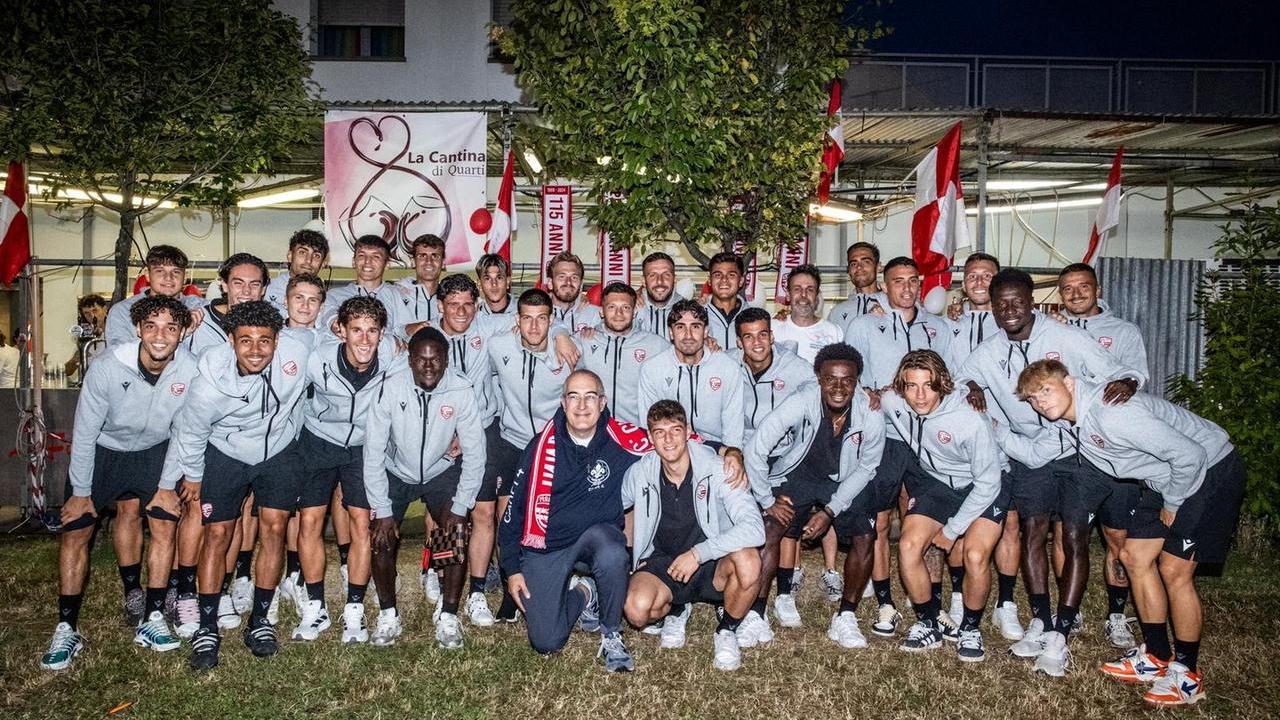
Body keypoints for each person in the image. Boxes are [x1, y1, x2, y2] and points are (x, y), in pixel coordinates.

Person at [1012, 360, 1243, 705]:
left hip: (1208, 469)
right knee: (1134, 557)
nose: (1040, 402)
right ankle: (1157, 655)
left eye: (1046, 390)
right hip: (1164, 478)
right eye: (1032, 398)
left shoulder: (1111, 412)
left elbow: (1189, 455)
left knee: (1174, 570)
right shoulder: (1076, 421)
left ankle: (1187, 674)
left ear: (1070, 383)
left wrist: (1174, 503)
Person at [958, 269, 1145, 677]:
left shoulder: (1066, 337)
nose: (1010, 310)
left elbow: (1120, 370)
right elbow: (957, 379)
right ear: (991, 306)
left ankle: (1061, 632)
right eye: (1001, 303)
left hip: (1077, 450)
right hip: (1028, 455)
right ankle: (1040, 619)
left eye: (1017, 301)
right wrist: (971, 385)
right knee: (1032, 532)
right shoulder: (987, 353)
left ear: (1032, 301)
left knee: (1075, 533)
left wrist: (1130, 382)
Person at [40, 295, 197, 671]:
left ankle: (153, 618)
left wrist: (165, 485)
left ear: (182, 333)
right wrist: (80, 492)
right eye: (152, 327)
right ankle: (66, 627)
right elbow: (86, 431)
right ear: (139, 329)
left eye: (171, 328)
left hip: (152, 451)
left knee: (164, 521)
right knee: (77, 529)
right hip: (104, 451)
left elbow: (183, 432)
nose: (161, 336)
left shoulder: (190, 370)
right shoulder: (108, 366)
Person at [167, 300, 310, 671]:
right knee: (218, 534)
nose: (256, 350)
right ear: (231, 341)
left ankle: (260, 619)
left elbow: (336, 347)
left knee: (275, 530)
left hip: (279, 449)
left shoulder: (298, 350)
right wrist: (194, 476)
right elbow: (192, 432)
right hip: (225, 451)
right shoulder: (210, 377)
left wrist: (393, 343)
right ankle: (207, 625)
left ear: (278, 341)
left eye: (264, 340)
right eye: (245, 340)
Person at [499, 370, 651, 671]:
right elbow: (512, 513)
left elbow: (671, 440)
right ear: (563, 402)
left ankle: (611, 633)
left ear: (603, 402)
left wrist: (724, 451)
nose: (582, 406)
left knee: (611, 550)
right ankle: (585, 592)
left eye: (590, 397)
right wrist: (512, 570)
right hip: (547, 546)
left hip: (596, 539)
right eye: (574, 397)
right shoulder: (540, 447)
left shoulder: (621, 440)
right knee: (546, 642)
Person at [842, 256, 958, 638]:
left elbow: (952, 380)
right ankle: (885, 602)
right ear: (884, 285)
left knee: (923, 518)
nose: (906, 289)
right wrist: (869, 393)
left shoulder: (938, 327)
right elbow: (849, 377)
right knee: (880, 521)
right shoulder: (865, 324)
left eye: (912, 281)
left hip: (927, 441)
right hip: (884, 439)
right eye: (898, 282)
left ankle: (932, 601)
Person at [743, 343, 885, 650]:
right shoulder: (801, 400)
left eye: (847, 379)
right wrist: (767, 500)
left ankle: (845, 616)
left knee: (865, 535)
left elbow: (867, 467)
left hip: (845, 479)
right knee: (769, 529)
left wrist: (831, 510)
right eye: (830, 378)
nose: (838, 387)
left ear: (857, 380)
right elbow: (756, 448)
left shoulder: (870, 413)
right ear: (818, 378)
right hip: (801, 475)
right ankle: (757, 613)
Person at [362, 327, 486, 649]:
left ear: (446, 359)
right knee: (380, 536)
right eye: (421, 360)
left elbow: (476, 454)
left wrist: (461, 506)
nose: (428, 367)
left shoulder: (461, 388)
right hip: (396, 469)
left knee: (455, 530)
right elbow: (372, 452)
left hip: (438, 469)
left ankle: (448, 615)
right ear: (410, 359)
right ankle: (389, 614)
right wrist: (383, 509)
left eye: (436, 360)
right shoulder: (390, 386)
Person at [879, 350, 1005, 662]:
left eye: (928, 386)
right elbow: (864, 396)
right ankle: (928, 623)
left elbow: (989, 482)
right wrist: (870, 393)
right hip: (937, 482)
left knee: (975, 554)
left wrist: (952, 530)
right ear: (901, 387)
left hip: (984, 484)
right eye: (911, 386)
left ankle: (971, 628)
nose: (920, 395)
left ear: (942, 384)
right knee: (908, 546)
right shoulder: (895, 402)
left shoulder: (969, 418)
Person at [622, 400, 764, 671]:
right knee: (636, 612)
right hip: (664, 563)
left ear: (688, 432)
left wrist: (699, 553)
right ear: (650, 438)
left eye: (675, 430)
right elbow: (610, 508)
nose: (668, 439)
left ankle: (726, 630)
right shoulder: (641, 472)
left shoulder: (719, 468)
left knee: (749, 559)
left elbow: (755, 528)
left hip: (713, 562)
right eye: (660, 432)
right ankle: (677, 608)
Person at [296, 296, 405, 644]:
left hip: (363, 447)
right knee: (310, 521)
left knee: (362, 524)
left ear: (383, 333)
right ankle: (314, 606)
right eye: (356, 330)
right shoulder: (317, 359)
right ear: (340, 330)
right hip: (318, 441)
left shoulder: (394, 355)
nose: (364, 339)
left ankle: (354, 608)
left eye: (372, 331)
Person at [1055, 261, 1152, 649]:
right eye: (1067, 288)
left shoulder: (1123, 331)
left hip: (1113, 447)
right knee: (1065, 531)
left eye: (1083, 287)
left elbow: (1137, 376)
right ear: (1059, 293)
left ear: (1097, 289)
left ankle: (1116, 614)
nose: (1075, 294)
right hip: (1065, 448)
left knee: (1117, 536)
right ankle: (1070, 608)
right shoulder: (1051, 329)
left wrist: (1128, 381)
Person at [485, 288, 574, 619]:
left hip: (551, 445)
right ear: (516, 320)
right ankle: (512, 589)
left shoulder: (567, 353)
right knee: (507, 517)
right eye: (527, 319)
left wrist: (563, 334)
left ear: (552, 320)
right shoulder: (499, 345)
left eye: (542, 319)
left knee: (549, 518)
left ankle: (552, 583)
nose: (534, 327)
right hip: (511, 440)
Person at [943, 252, 1018, 637]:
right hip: (960, 436)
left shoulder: (1010, 321)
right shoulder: (948, 323)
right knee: (959, 515)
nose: (978, 280)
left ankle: (1006, 603)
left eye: (986, 275)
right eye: (971, 275)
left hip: (1006, 436)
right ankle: (958, 594)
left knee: (1009, 524)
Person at [431, 273, 509, 626]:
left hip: (484, 432)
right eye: (452, 305)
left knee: (483, 513)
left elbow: (538, 319)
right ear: (439, 307)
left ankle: (477, 592)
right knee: (449, 514)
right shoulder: (426, 339)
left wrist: (566, 334)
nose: (461, 311)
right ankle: (445, 585)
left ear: (477, 306)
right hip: (442, 436)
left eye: (467, 304)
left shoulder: (490, 331)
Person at [638, 299, 745, 452]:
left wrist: (731, 455)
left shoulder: (728, 368)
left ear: (706, 331)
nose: (688, 335)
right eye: (680, 327)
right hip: (670, 449)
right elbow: (650, 425)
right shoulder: (652, 369)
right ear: (670, 332)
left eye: (695, 327)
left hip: (716, 450)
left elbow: (733, 430)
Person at [571, 282, 669, 427]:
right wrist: (559, 334)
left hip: (638, 436)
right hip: (596, 434)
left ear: (634, 311)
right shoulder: (582, 340)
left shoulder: (657, 345)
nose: (619, 314)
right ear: (601, 312)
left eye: (625, 307)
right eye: (612, 307)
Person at [104, 245, 205, 347]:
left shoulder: (198, 308)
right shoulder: (123, 312)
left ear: (185, 277)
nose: (168, 278)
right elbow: (120, 356)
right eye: (160, 271)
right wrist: (181, 334)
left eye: (176, 272)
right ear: (147, 274)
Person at [318, 235, 409, 339]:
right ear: (353, 262)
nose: (367, 261)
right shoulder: (334, 295)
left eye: (376, 257)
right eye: (362, 255)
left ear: (387, 264)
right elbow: (329, 315)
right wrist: (335, 323)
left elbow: (405, 330)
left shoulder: (399, 295)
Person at [185, 253, 270, 355]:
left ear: (263, 289)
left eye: (255, 284)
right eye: (238, 283)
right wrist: (183, 334)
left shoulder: (273, 324)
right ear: (225, 285)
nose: (246, 291)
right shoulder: (198, 322)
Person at [771, 265, 843, 364]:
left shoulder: (833, 332)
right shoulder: (772, 328)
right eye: (797, 289)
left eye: (810, 290)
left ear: (817, 297)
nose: (803, 295)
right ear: (788, 295)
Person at [263, 229, 329, 317]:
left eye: (316, 256)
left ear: (323, 263)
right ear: (290, 256)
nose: (308, 261)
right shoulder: (266, 290)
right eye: (302, 252)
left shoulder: (326, 300)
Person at [827, 242, 885, 327]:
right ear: (849, 270)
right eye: (853, 264)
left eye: (866, 262)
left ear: (878, 267)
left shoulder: (892, 305)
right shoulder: (837, 313)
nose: (859, 267)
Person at [397, 233, 446, 335]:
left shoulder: (450, 297)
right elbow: (384, 330)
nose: (429, 261)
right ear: (413, 262)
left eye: (435, 256)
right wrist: (406, 330)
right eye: (422, 256)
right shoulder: (395, 293)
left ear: (443, 263)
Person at [544, 251, 600, 332]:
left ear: (581, 285)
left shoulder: (595, 316)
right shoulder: (533, 313)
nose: (568, 282)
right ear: (550, 283)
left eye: (574, 277)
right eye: (562, 277)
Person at [703, 252, 747, 350]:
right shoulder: (696, 316)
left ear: (741, 281)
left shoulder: (753, 316)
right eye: (718, 275)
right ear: (709, 280)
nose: (724, 280)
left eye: (731, 275)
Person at [635, 251, 683, 340]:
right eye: (652, 275)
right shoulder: (631, 307)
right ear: (643, 281)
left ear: (675, 279)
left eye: (666, 275)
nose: (660, 281)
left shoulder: (688, 310)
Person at [475, 253, 516, 317]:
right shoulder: (472, 317)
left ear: (508, 282)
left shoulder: (524, 313)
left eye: (499, 278)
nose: (494, 284)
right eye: (487, 278)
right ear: (479, 284)